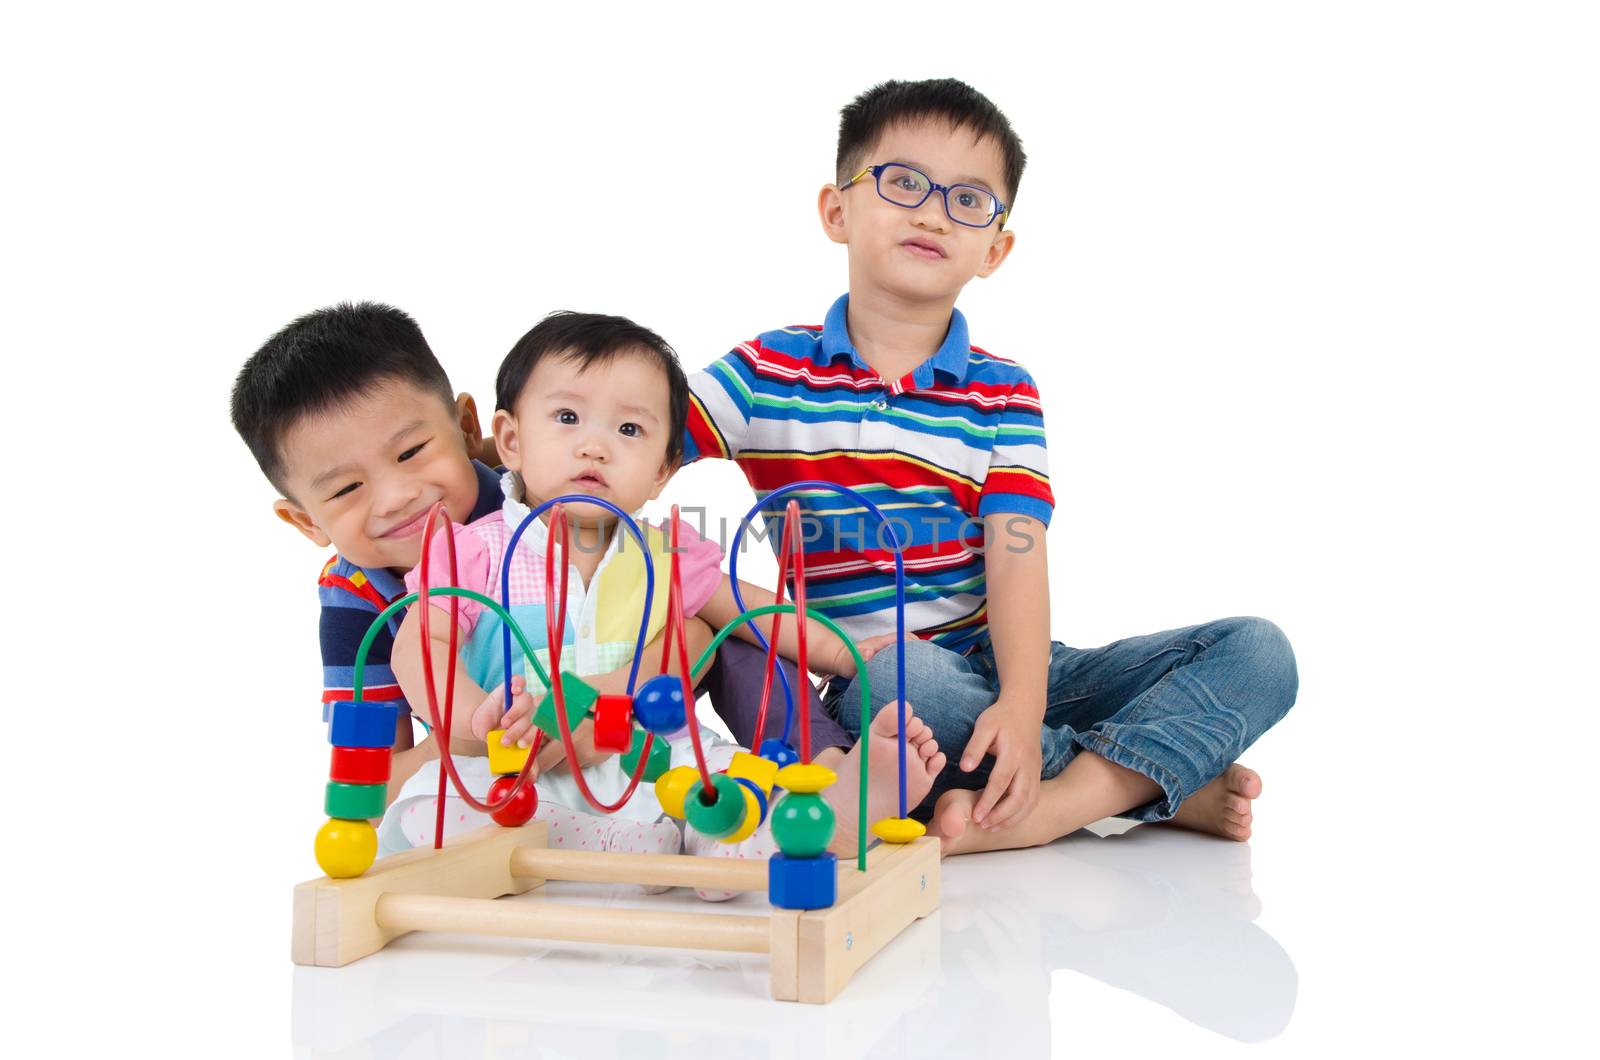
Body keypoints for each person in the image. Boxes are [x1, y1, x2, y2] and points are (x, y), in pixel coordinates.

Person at [683, 78, 1298, 855]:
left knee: (1259, 650)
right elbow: (633, 432)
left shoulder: (1002, 391)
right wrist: (515, 452)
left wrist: (1021, 699)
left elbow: (1018, 555)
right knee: (917, 684)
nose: (934, 211)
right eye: (903, 182)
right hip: (894, 689)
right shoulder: (766, 372)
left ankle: (1057, 803)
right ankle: (1145, 784)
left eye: (968, 200)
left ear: (995, 248)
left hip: (1018, 667)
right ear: (837, 211)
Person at [383, 311, 947, 870]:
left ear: (662, 470)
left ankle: (826, 821)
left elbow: (754, 610)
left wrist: (842, 651)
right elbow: (420, 644)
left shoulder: (665, 554)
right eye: (567, 417)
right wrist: (474, 719)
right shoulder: (472, 550)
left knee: (721, 786)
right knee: (429, 804)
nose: (595, 446)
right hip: (513, 766)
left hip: (644, 758)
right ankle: (621, 848)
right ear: (510, 440)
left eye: (629, 430)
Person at [230, 301, 502, 800]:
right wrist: (469, 738)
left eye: (411, 452)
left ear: (466, 427)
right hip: (507, 801)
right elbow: (364, 793)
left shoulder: (541, 490)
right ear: (308, 521)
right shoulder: (357, 603)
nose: (396, 497)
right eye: (345, 489)